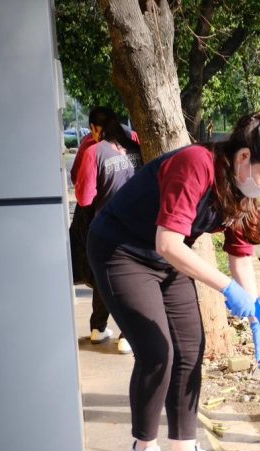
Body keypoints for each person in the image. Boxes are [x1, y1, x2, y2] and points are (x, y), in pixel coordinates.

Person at [87, 113, 260, 451]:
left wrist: (255, 318)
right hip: (122, 250)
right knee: (157, 352)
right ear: (244, 157)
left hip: (166, 259)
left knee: (189, 347)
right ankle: (144, 450)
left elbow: (241, 255)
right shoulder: (196, 165)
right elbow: (169, 242)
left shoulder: (240, 189)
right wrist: (229, 291)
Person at [74, 106, 142, 354]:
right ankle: (123, 334)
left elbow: (84, 198)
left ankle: (99, 328)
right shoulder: (136, 143)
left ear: (94, 128)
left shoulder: (94, 152)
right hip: (138, 226)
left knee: (106, 278)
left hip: (107, 229)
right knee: (132, 280)